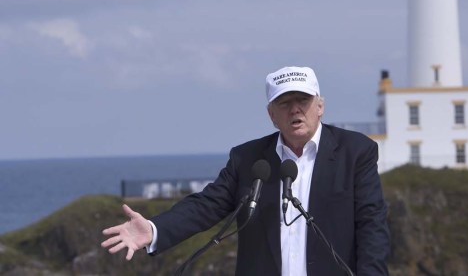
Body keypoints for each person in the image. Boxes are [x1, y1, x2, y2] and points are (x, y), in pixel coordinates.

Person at [101, 66, 390, 276]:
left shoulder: (356, 152)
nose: (295, 110)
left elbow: (372, 225)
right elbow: (207, 205)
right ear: (271, 115)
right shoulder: (248, 159)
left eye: (303, 101)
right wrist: (154, 230)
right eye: (284, 103)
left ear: (320, 106)